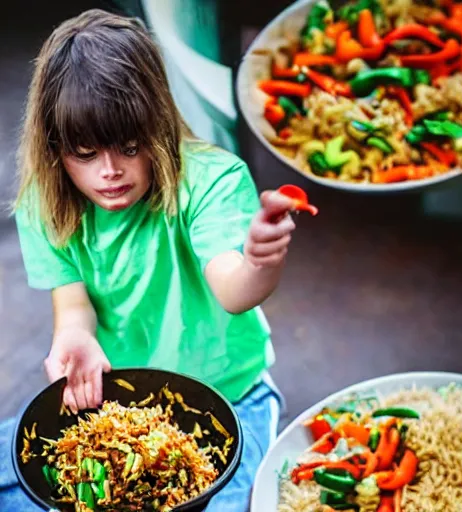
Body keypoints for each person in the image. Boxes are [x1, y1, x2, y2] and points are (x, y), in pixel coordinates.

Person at [14, 9, 298, 511]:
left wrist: (259, 260)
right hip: (123, 403)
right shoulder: (44, 202)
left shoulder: (210, 181)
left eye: (128, 146)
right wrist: (74, 336)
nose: (109, 172)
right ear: (56, 149)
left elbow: (234, 291)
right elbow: (73, 304)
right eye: (85, 152)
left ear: (158, 126)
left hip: (231, 397)